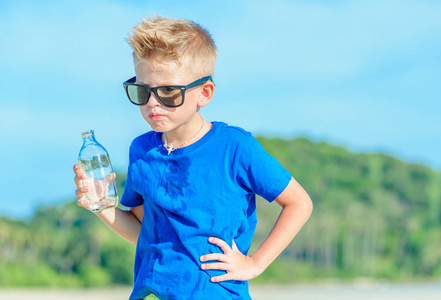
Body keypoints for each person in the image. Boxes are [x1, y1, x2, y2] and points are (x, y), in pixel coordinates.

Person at [73, 15, 313, 300]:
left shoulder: (234, 147)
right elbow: (145, 234)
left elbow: (299, 203)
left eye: (168, 92)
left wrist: (254, 263)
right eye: (142, 90)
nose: (152, 103)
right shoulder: (141, 151)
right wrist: (101, 206)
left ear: (204, 93)